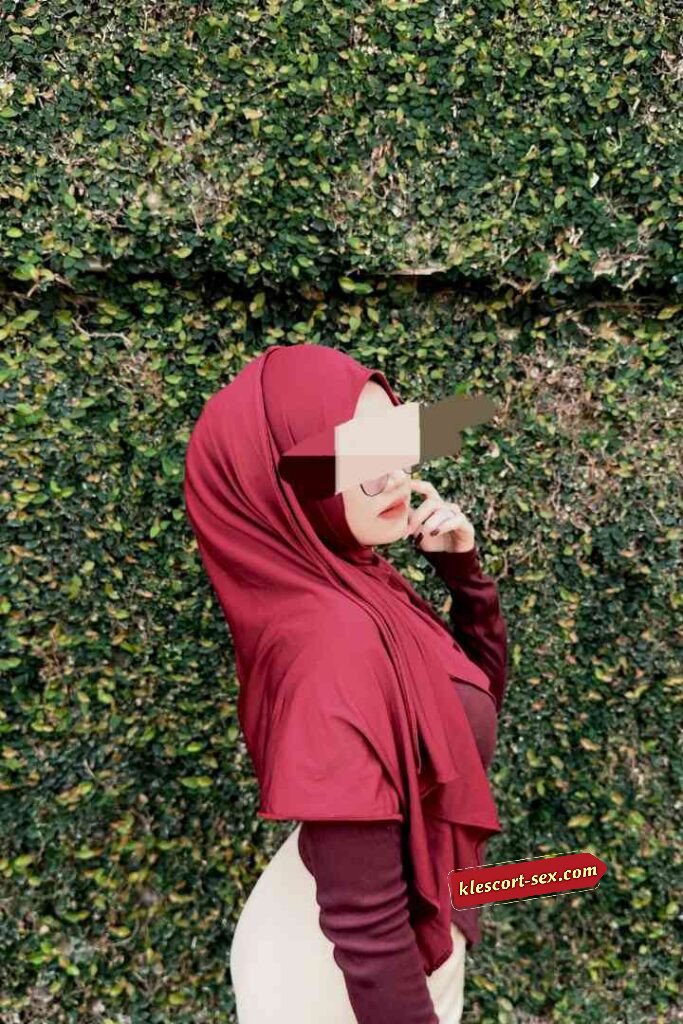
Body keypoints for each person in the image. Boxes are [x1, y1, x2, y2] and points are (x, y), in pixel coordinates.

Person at [183, 344, 509, 1023]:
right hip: (337, 980)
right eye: (357, 464)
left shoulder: (362, 584)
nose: (393, 479)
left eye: (393, 448)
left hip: (391, 934)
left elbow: (469, 704)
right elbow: (365, 929)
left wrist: (465, 582)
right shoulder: (330, 643)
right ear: (282, 486)